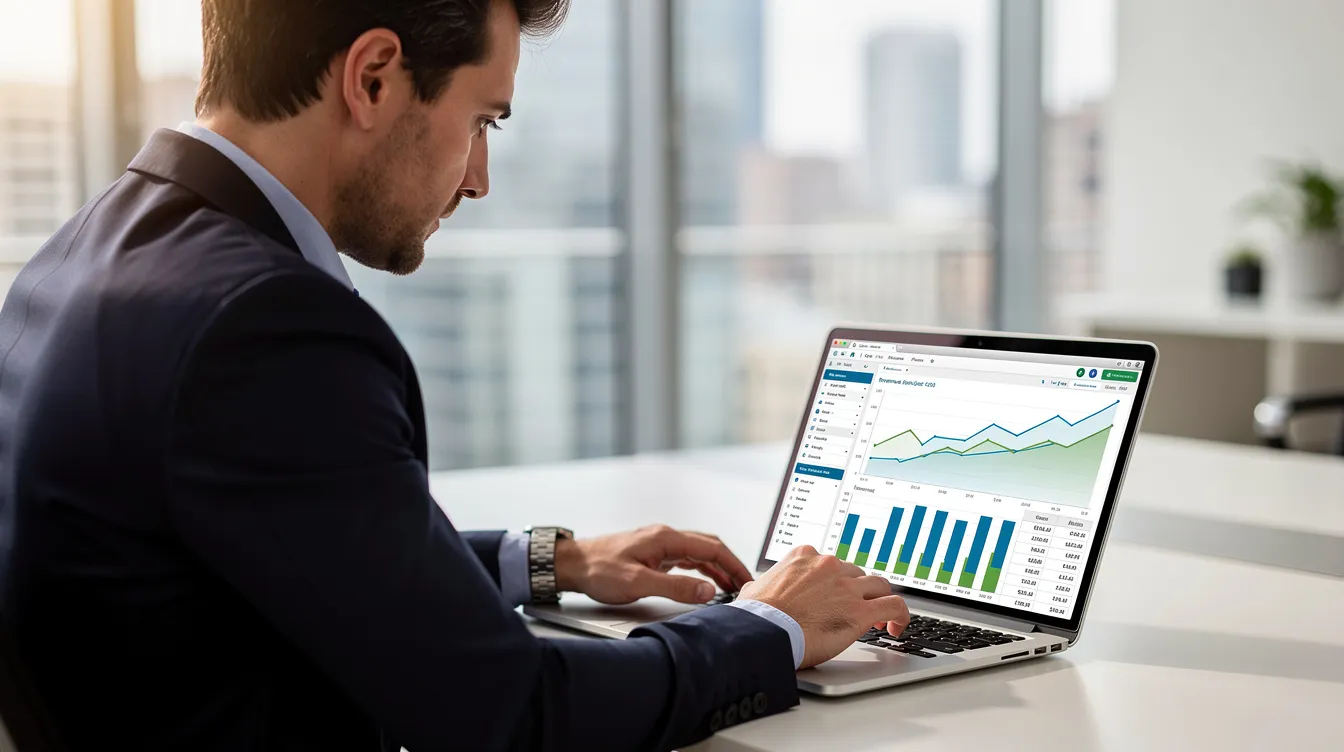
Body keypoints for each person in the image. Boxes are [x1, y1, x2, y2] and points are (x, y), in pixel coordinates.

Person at [0, 0, 910, 749]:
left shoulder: (88, 251)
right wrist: (764, 629)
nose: (478, 179)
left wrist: (552, 563)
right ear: (372, 77)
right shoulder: (263, 323)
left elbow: (283, 543)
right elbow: (505, 711)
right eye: (481, 120)